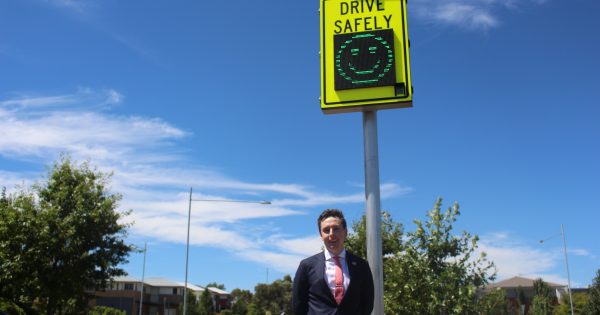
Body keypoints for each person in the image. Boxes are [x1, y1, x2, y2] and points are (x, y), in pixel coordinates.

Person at [292, 209, 374, 315]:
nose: (331, 234)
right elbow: (298, 305)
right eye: (326, 230)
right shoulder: (306, 266)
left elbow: (367, 304)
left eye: (336, 229)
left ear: (345, 232)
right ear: (321, 235)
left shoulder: (362, 266)